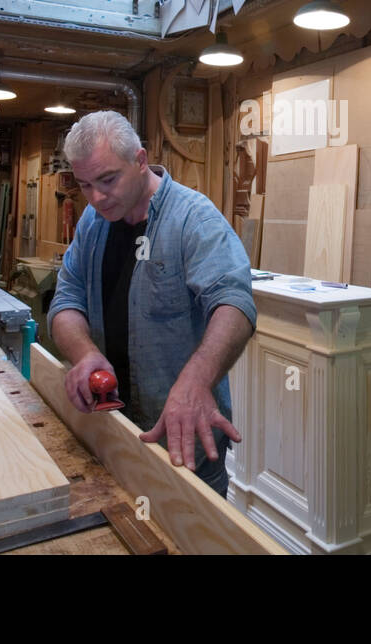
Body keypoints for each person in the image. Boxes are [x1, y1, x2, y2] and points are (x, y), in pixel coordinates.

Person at [47, 110, 255, 497]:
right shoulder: (93, 223)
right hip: (111, 426)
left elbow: (235, 303)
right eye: (85, 185)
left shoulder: (194, 219)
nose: (96, 197)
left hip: (182, 440)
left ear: (140, 161)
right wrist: (85, 354)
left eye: (108, 180)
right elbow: (67, 296)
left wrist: (195, 382)